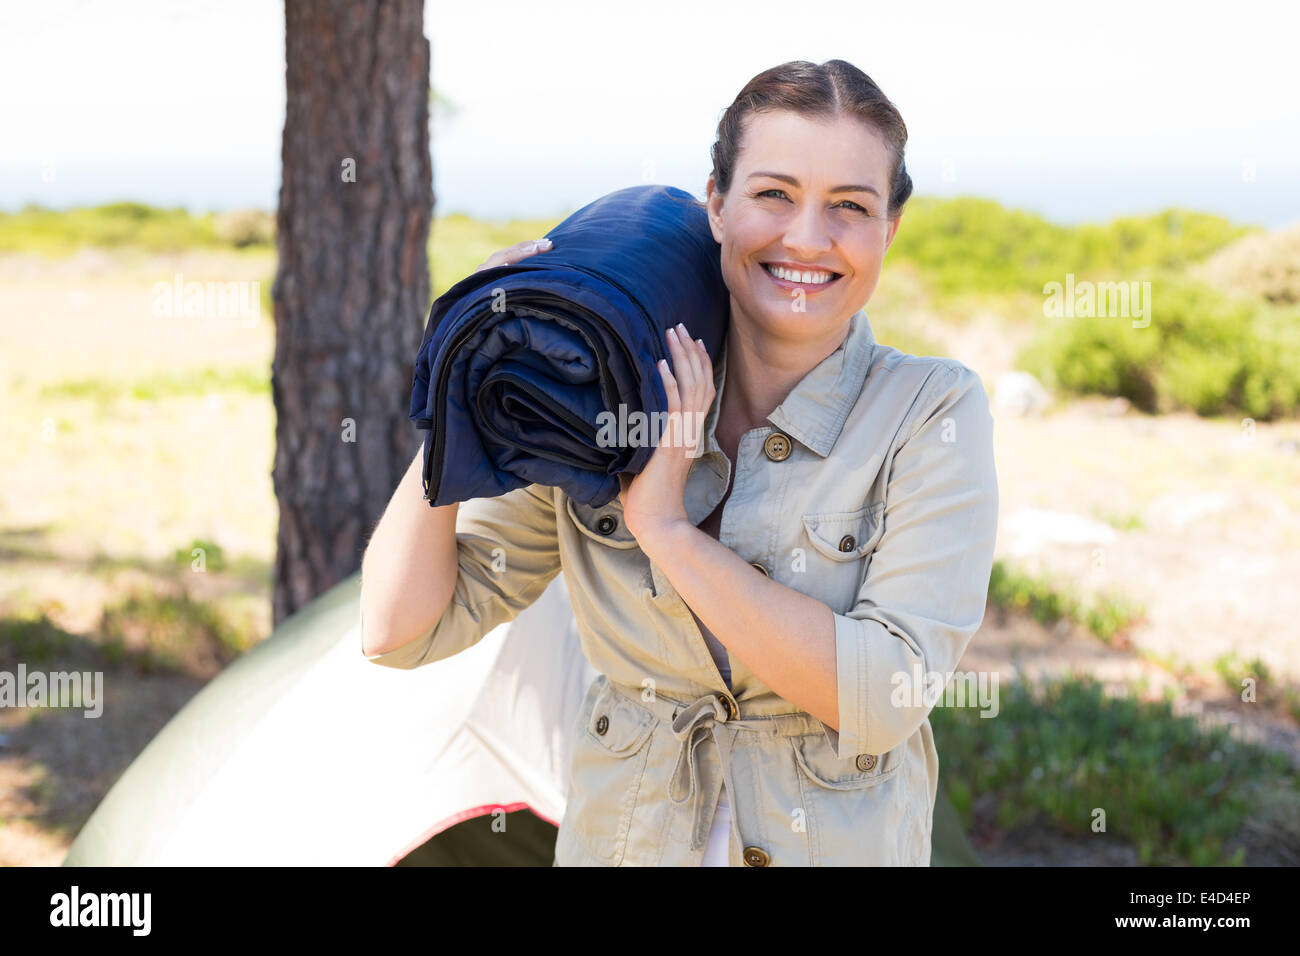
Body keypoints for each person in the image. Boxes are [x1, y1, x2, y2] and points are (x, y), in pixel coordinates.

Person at [359, 59, 999, 866]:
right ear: (717, 205)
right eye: (774, 194)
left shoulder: (929, 411)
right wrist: (463, 379)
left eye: (849, 206)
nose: (807, 237)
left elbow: (881, 693)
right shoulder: (607, 392)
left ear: (888, 229)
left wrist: (665, 528)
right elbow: (396, 630)